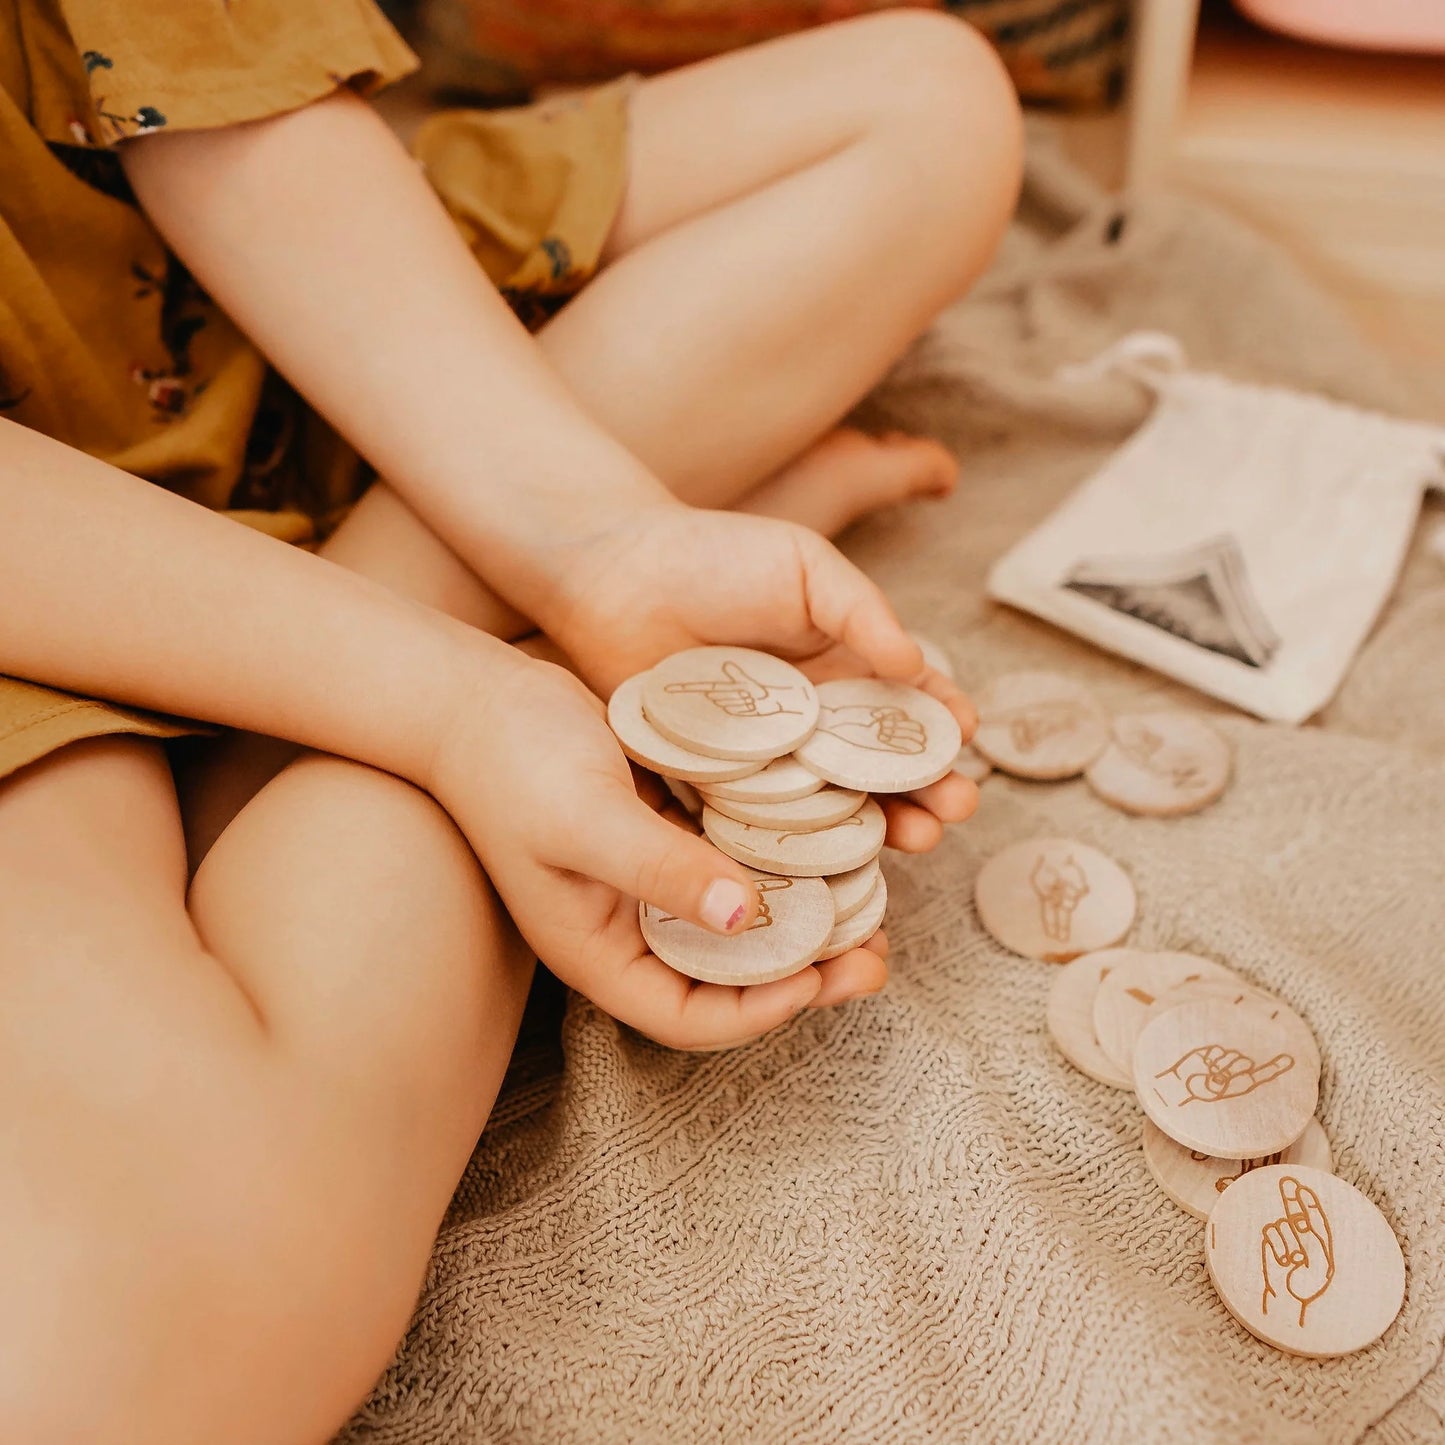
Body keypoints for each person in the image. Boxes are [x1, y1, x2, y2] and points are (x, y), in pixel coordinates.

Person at [0, 3, 1022, 1438]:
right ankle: (412, 630)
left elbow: (218, 80)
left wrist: (594, 539)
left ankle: (396, 625)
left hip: (230, 309)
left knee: (931, 107)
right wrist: (461, 702)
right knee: (156, 1332)